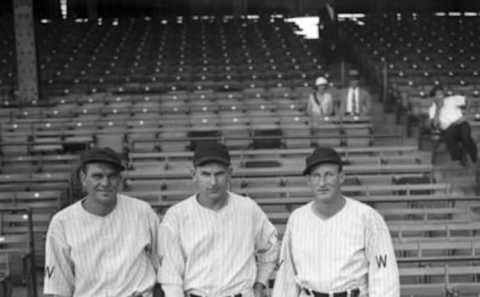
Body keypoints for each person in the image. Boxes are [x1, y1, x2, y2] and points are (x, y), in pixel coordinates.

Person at [272, 146, 400, 297]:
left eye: (328, 175)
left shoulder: (368, 217)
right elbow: (286, 274)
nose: (322, 183)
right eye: (316, 176)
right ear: (308, 181)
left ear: (341, 177)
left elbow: (384, 275)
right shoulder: (297, 219)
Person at [158, 142, 279, 297]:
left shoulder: (248, 208)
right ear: (193, 174)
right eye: (206, 174)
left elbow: (270, 248)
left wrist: (260, 284)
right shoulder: (176, 216)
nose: (213, 182)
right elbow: (170, 276)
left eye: (219, 174)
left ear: (230, 173)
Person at [44, 147, 162, 297]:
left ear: (120, 179)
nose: (105, 183)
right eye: (97, 176)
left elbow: (163, 266)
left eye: (112, 176)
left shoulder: (143, 212)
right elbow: (57, 286)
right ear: (83, 178)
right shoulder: (62, 222)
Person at [428, 86, 478, 166]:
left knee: (466, 138)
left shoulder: (452, 99)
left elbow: (469, 100)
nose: (441, 96)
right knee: (449, 137)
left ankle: (474, 157)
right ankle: (459, 158)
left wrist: (466, 114)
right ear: (434, 97)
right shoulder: (432, 109)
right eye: (438, 94)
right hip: (448, 128)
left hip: (461, 124)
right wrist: (438, 109)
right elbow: (435, 124)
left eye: (441, 93)